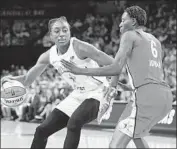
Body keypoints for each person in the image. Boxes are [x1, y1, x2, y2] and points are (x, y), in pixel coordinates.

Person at [61, 6, 173, 148]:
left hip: (145, 97)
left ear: (132, 22)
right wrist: (123, 86)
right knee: (136, 136)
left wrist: (81, 70)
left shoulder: (129, 35)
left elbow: (115, 68)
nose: (119, 24)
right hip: (164, 97)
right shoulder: (155, 41)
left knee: (114, 146)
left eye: (122, 20)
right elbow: (150, 72)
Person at [1, 16, 121, 149]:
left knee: (74, 123)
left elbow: (115, 65)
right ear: (51, 36)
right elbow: (27, 80)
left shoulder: (80, 47)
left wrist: (111, 89)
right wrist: (12, 79)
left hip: (99, 92)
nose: (62, 34)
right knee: (41, 130)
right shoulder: (49, 55)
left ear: (70, 32)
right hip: (78, 94)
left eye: (65, 30)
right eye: (57, 31)